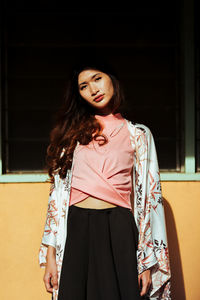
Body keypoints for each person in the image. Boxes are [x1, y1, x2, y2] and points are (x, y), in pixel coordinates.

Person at [38, 58, 171, 300]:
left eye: (97, 79)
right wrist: (50, 258)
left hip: (118, 228)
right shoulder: (71, 136)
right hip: (76, 226)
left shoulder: (138, 134)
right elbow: (56, 199)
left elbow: (150, 201)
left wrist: (146, 261)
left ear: (112, 79)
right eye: (83, 86)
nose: (93, 90)